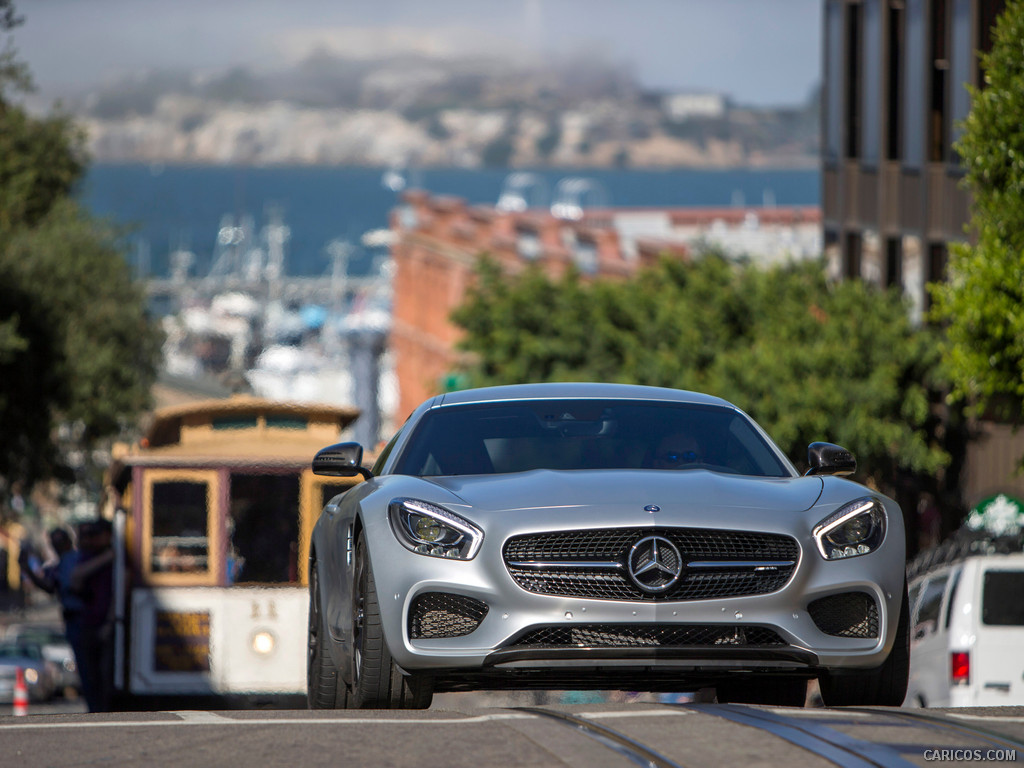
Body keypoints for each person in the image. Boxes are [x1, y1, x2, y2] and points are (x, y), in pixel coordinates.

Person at [19, 527, 87, 692]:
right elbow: (49, 586)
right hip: (74, 619)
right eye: (54, 543)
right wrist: (27, 570)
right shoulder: (61, 564)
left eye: (59, 542)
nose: (57, 546)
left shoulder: (75, 559)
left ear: (67, 542)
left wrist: (28, 570)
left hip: (85, 617)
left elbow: (53, 585)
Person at [71, 519, 115, 713]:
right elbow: (76, 578)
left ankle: (103, 709)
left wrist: (110, 622)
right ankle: (95, 710)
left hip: (106, 624)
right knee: (90, 675)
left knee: (105, 675)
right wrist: (107, 558)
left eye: (95, 535)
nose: (91, 539)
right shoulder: (91, 556)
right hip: (89, 623)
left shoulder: (120, 559)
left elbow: (120, 593)